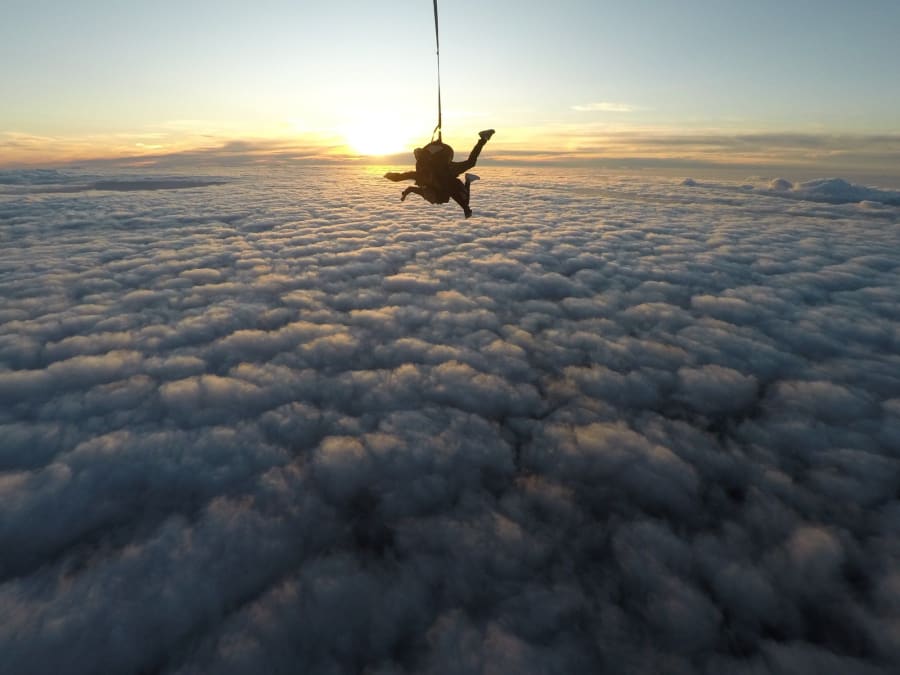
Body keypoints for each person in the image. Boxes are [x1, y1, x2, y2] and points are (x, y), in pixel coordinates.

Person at [385, 129, 495, 218]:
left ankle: (469, 179)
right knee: (470, 164)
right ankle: (483, 139)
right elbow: (458, 197)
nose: (428, 198)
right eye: (431, 199)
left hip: (440, 163)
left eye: (428, 198)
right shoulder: (445, 187)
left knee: (469, 167)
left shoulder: (423, 181)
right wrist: (466, 209)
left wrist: (394, 180)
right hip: (446, 168)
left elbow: (407, 182)